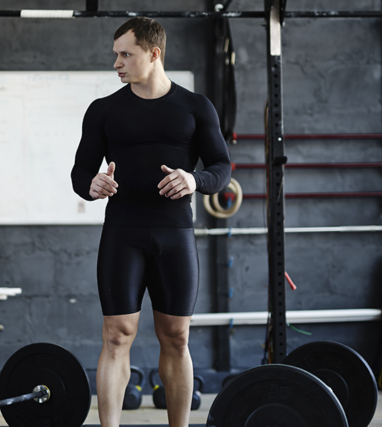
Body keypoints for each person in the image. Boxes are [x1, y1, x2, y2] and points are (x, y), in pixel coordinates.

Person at [71, 17, 231, 427]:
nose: (117, 63)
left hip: (174, 235)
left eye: (126, 54)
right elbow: (79, 175)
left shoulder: (196, 107)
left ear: (154, 54)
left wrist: (194, 178)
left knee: (176, 338)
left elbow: (221, 168)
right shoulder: (103, 110)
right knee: (116, 335)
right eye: (116, 55)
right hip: (123, 233)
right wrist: (94, 184)